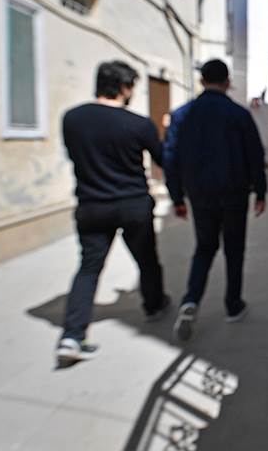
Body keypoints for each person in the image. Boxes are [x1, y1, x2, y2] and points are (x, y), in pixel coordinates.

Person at [57, 61, 170, 364]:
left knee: (89, 269)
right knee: (147, 260)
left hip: (92, 206)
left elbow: (74, 156)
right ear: (123, 87)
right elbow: (163, 158)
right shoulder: (138, 124)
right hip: (132, 205)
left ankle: (72, 335)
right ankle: (154, 305)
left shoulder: (72, 119)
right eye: (132, 86)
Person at [163, 59, 267, 340]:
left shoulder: (182, 115)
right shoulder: (238, 115)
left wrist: (177, 198)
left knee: (204, 248)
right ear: (227, 81)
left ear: (202, 81)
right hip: (234, 194)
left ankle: (191, 300)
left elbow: (170, 159)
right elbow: (255, 155)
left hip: (200, 195)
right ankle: (233, 305)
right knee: (234, 249)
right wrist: (261, 191)